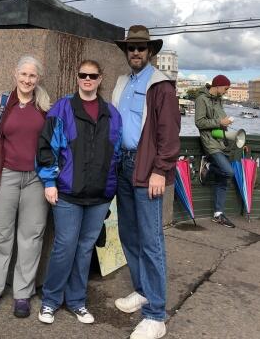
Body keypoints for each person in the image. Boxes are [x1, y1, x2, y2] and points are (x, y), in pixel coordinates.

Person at [36, 59, 122, 325]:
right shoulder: (62, 108)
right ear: (77, 77)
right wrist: (49, 182)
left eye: (92, 75)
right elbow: (47, 147)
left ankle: (77, 301)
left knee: (85, 249)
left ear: (100, 78)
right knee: (65, 246)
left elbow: (116, 153)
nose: (87, 79)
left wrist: (110, 187)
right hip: (68, 193)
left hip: (99, 195)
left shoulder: (112, 113)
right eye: (83, 74)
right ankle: (50, 300)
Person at [112, 25, 180, 339]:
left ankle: (155, 314)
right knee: (128, 232)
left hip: (145, 165)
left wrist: (159, 170)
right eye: (131, 48)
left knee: (151, 241)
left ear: (150, 51)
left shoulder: (161, 85)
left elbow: (169, 136)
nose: (136, 52)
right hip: (123, 165)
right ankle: (141, 290)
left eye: (141, 48)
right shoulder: (122, 81)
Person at [0, 56, 50, 318]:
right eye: (23, 74)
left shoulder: (45, 106)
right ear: (15, 74)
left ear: (38, 78)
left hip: (35, 179)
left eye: (32, 76)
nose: (27, 80)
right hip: (3, 178)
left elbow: (52, 142)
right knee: (0, 235)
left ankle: (23, 293)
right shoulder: (0, 104)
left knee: (31, 237)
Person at [195, 74, 235, 228]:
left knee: (223, 180)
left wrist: (226, 123)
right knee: (228, 172)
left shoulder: (219, 99)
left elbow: (220, 119)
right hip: (210, 143)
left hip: (221, 141)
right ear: (218, 85)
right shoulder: (201, 99)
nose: (226, 91)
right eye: (225, 88)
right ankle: (208, 167)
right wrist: (220, 122)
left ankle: (218, 214)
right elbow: (199, 122)